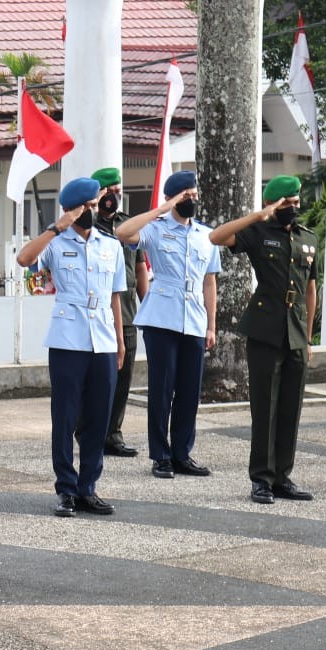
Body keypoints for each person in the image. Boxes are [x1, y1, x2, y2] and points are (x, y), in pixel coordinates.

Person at [17, 177, 127, 517]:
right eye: (88, 206)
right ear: (73, 210)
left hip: (103, 339)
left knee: (98, 418)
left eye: (95, 205)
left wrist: (120, 341)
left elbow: (115, 296)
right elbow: (24, 259)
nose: (94, 211)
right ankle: (66, 489)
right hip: (67, 339)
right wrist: (56, 227)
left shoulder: (110, 245)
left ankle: (87, 488)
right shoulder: (55, 242)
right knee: (64, 418)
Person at [209, 175, 319, 504]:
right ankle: (261, 478)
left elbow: (310, 290)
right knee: (265, 408)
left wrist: (308, 338)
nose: (294, 207)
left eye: (296, 202)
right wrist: (258, 215)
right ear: (273, 204)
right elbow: (216, 236)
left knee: (290, 409)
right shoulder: (258, 232)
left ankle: (283, 476)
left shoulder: (308, 238)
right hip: (265, 330)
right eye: (287, 203)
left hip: (296, 333)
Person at [116, 170, 219, 480]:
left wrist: (211, 325)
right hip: (161, 318)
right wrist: (160, 210)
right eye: (185, 196)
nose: (192, 200)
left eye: (194, 195)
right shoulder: (156, 229)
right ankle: (161, 456)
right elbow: (123, 233)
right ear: (171, 198)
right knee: (162, 390)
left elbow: (210, 282)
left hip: (195, 319)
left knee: (189, 391)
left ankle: (182, 454)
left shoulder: (206, 235)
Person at [91, 167, 146, 457]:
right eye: (108, 191)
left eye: (117, 190)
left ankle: (113, 434)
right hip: (98, 315)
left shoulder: (128, 226)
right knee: (96, 379)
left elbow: (140, 267)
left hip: (127, 312)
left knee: (123, 379)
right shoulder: (88, 225)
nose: (114, 195)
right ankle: (88, 432)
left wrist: (147, 306)